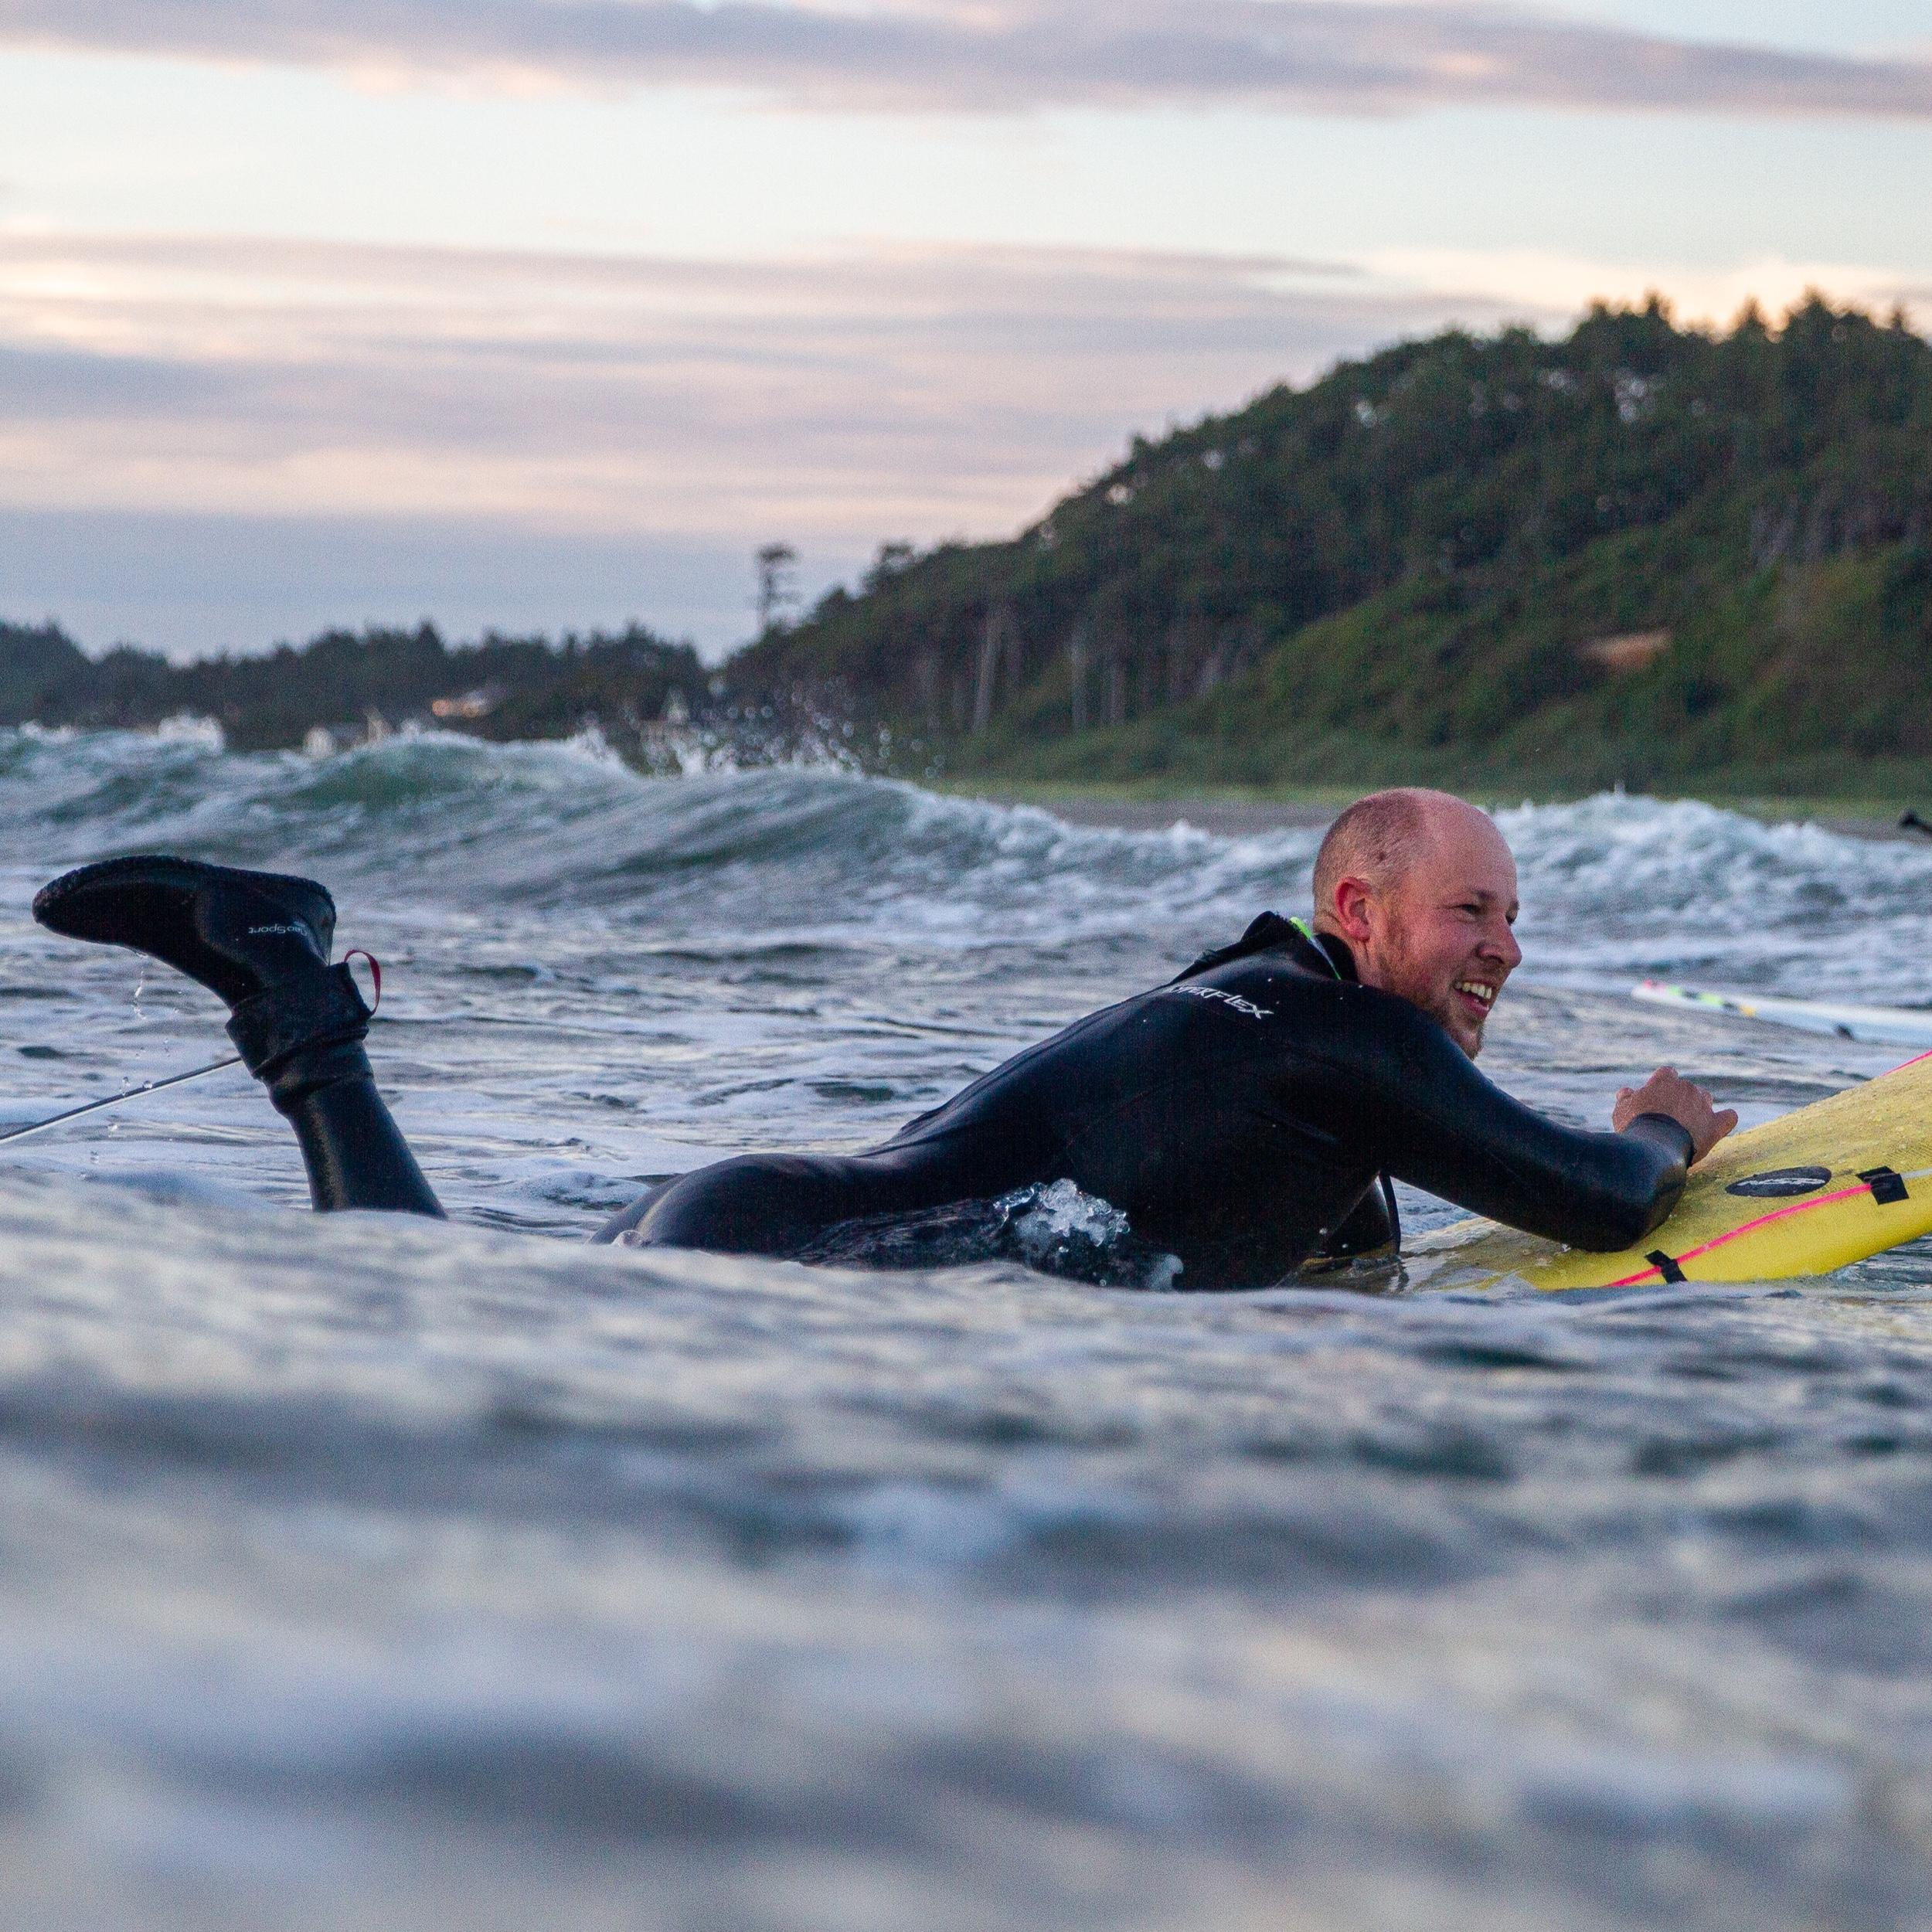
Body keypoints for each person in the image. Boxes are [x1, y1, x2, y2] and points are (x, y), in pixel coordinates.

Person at [31, 788, 1736, 1291]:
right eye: (1469, 914)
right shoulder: (1340, 1037)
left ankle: (287, 996)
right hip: (814, 1251)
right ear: (1356, 909)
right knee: (424, 1342)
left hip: (761, 1207)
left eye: (1512, 916)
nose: (1501, 950)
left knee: (429, 1312)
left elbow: (1277, 1211)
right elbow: (1590, 1198)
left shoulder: (1240, 1004)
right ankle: (289, 996)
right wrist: (1662, 1127)